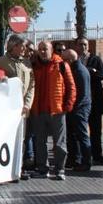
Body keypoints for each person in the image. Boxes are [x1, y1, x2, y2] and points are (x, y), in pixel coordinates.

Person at [30, 40, 76, 181]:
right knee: (40, 142)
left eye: (46, 49)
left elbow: (71, 87)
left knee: (59, 143)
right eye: (41, 49)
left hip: (57, 110)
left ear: (51, 50)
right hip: (38, 111)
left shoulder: (62, 65)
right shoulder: (33, 65)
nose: (43, 52)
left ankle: (60, 169)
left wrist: (67, 106)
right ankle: (43, 169)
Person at [0, 35, 35, 179]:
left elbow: (31, 86)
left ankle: (19, 168)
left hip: (22, 109)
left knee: (21, 139)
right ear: (13, 46)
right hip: (6, 110)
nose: (24, 49)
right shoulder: (0, 62)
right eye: (21, 46)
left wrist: (27, 104)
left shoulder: (27, 63)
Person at [75, 37, 103, 165]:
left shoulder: (95, 59)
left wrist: (87, 71)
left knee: (96, 131)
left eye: (85, 44)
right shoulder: (74, 60)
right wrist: (91, 71)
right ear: (76, 46)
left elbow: (101, 75)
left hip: (95, 101)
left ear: (88, 46)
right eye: (80, 44)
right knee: (79, 131)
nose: (83, 47)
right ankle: (80, 157)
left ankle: (97, 155)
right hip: (80, 102)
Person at [61, 49, 92, 172]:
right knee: (73, 136)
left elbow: (82, 95)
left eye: (64, 60)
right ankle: (75, 159)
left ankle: (86, 161)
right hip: (77, 108)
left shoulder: (79, 71)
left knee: (82, 135)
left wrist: (71, 108)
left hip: (79, 109)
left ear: (70, 60)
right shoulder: (77, 69)